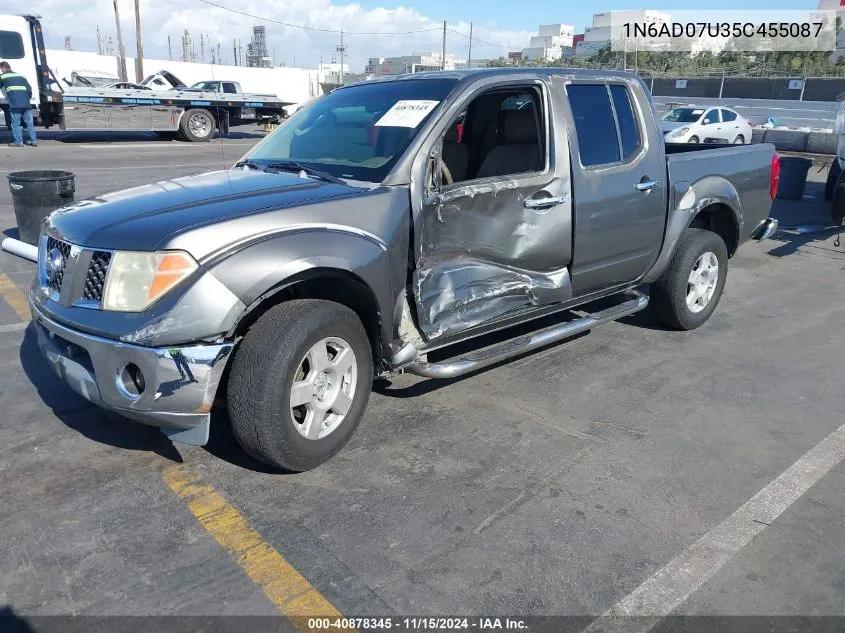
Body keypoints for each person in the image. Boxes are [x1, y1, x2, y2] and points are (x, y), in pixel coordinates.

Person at [0, 61, 37, 148]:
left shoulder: (3, 76)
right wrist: (26, 99)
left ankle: (19, 142)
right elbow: (29, 89)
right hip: (26, 103)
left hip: (15, 104)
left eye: (1, 69)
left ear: (3, 68)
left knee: (16, 123)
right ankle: (34, 141)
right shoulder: (21, 75)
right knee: (29, 123)